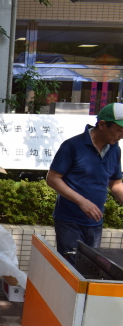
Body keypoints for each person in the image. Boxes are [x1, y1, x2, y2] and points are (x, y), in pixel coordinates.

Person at [46, 102, 123, 263]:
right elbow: (53, 178)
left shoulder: (115, 150)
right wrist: (82, 202)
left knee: (91, 268)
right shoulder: (72, 146)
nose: (121, 135)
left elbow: (115, 183)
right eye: (119, 130)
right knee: (72, 270)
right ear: (102, 125)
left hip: (95, 222)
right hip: (69, 221)